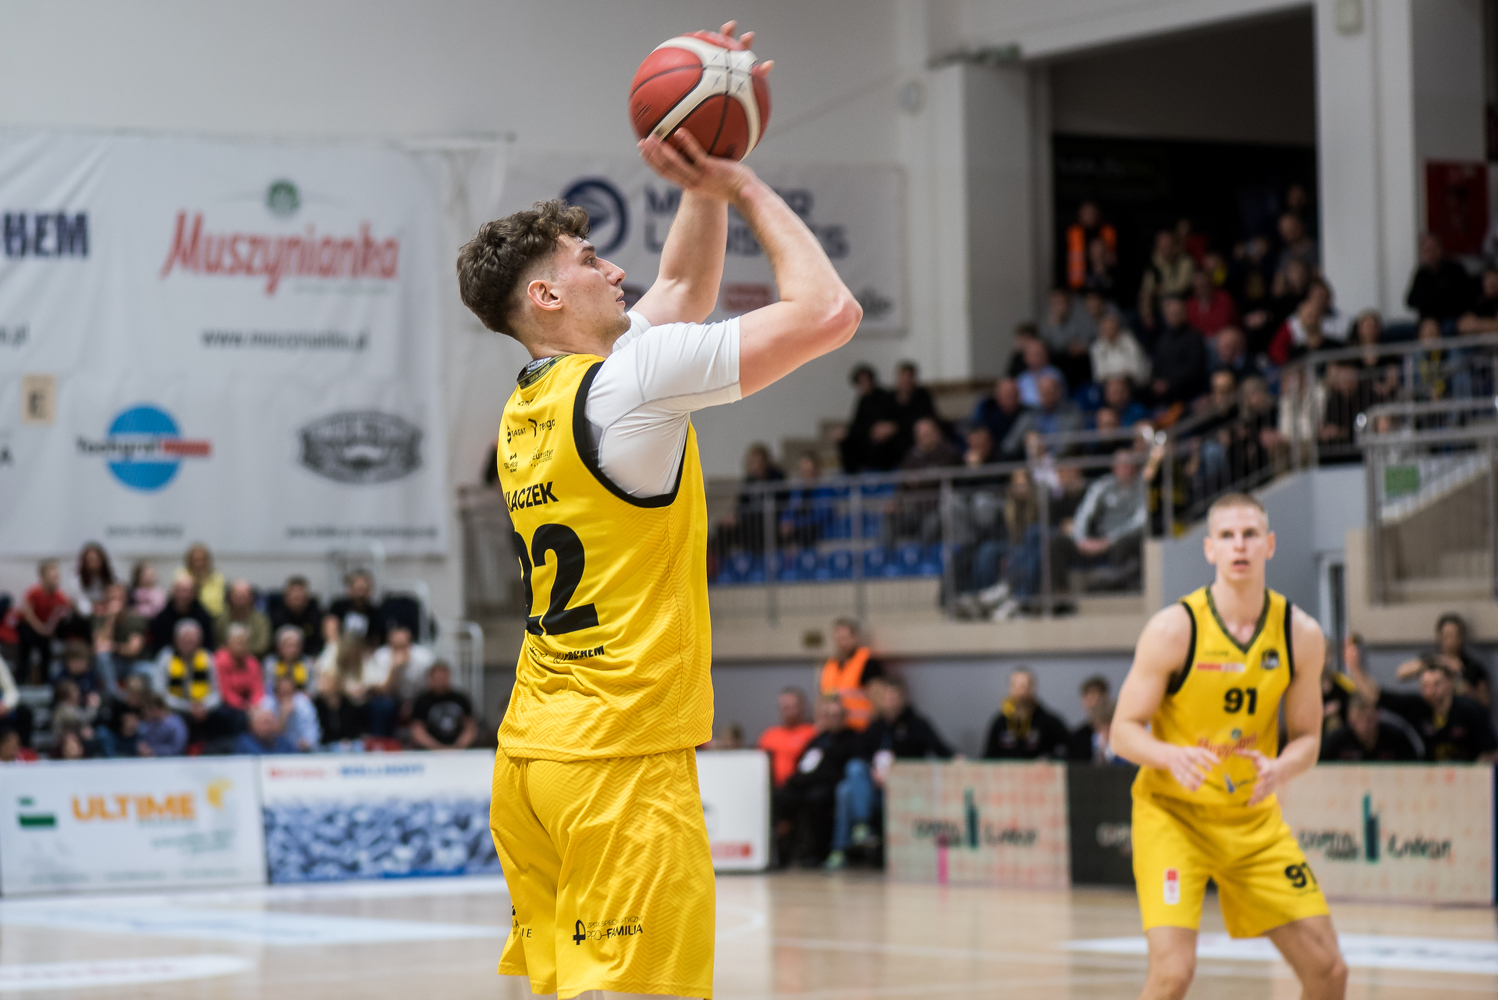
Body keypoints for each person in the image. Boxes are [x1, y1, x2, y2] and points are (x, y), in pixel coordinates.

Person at [462, 45, 862, 998]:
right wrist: (745, 185)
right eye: (589, 261)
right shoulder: (628, 385)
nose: (617, 269)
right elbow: (830, 312)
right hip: (620, 765)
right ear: (547, 296)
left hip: (535, 761)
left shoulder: (531, 404)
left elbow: (681, 297)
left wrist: (701, 176)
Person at [1110, 492, 1344, 1000]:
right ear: (1210, 549)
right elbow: (1122, 731)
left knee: (1329, 971)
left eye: (1250, 534)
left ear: (1270, 545)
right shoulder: (1173, 629)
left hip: (1251, 822)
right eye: (1227, 536)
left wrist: (1281, 768)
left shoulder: (1300, 634)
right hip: (1175, 817)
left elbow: (1308, 738)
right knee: (1173, 974)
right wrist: (1171, 755)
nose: (1240, 545)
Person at [826, 675, 952, 870]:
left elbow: (940, 748)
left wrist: (956, 757)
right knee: (851, 775)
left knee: (845, 791)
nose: (891, 702)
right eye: (887, 697)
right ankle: (853, 835)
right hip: (875, 789)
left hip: (904, 789)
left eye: (895, 697)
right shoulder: (876, 726)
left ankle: (851, 836)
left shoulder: (916, 724)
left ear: (903, 698)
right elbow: (859, 751)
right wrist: (873, 769)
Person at [1344, 644, 1497, 763]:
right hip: (1431, 780)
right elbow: (1376, 696)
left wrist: (1474, 773)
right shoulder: (1419, 707)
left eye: (1436, 684)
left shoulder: (1470, 709)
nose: (1430, 691)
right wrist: (1355, 668)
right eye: (1425, 686)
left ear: (1450, 683)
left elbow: (1492, 752)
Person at [775, 695, 861, 866]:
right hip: (808, 783)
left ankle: (819, 851)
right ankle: (784, 850)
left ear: (844, 716)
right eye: (828, 715)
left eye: (836, 715)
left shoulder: (852, 738)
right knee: (782, 795)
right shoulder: (818, 740)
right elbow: (803, 766)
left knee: (817, 798)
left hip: (831, 786)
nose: (832, 719)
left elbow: (840, 771)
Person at [1051, 449, 1147, 594]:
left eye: (1128, 465)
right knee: (1057, 543)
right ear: (1114, 467)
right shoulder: (1103, 485)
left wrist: (1110, 540)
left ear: (1135, 468)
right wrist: (1081, 539)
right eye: (1120, 465)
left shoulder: (1143, 487)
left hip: (1121, 541)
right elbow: (1084, 513)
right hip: (1098, 539)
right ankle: (1061, 595)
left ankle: (1115, 590)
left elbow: (1140, 521)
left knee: (1127, 545)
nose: (1124, 469)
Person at [1395, 612, 1491, 708]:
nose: (1450, 641)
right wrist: (1439, 661)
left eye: (1454, 635)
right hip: (1432, 710)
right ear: (1439, 636)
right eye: (1446, 635)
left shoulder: (1472, 667)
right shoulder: (1432, 660)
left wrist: (1467, 691)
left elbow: (1485, 703)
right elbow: (1401, 673)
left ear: (1461, 637)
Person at [983, 666, 1070, 759]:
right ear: (1010, 687)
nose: (1021, 691)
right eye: (1016, 686)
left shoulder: (1050, 722)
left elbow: (1067, 751)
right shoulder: (1000, 723)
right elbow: (988, 756)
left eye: (1025, 686)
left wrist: (1049, 759)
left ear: (1033, 687)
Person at [364, 625, 434, 737]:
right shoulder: (381, 656)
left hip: (418, 697)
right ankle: (381, 740)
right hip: (391, 697)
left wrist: (411, 703)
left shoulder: (423, 657)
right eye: (396, 646)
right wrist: (394, 669)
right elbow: (382, 690)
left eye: (403, 646)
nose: (400, 650)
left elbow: (431, 686)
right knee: (382, 705)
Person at [818, 618, 884, 731]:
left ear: (855, 637)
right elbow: (824, 698)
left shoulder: (867, 661)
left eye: (845, 638)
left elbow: (877, 699)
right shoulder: (830, 665)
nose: (842, 643)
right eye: (838, 639)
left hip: (860, 728)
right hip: (835, 730)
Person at [1001, 374, 1085, 458]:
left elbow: (1070, 443)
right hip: (1035, 462)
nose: (1046, 397)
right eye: (1042, 393)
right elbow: (1009, 446)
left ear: (1058, 392)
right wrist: (1026, 442)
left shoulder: (1071, 412)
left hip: (1064, 461)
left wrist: (1047, 453)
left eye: (1049, 392)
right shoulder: (1030, 415)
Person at [837, 363, 902, 473]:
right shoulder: (863, 400)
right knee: (847, 442)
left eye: (865, 381)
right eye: (860, 382)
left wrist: (886, 428)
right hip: (868, 436)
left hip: (885, 438)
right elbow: (857, 423)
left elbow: (894, 419)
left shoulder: (885, 396)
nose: (863, 385)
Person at [1318, 693, 1417, 762]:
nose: (1364, 725)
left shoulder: (1396, 738)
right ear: (1350, 719)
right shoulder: (1338, 739)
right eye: (1358, 720)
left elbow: (1415, 764)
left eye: (1369, 719)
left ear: (1377, 715)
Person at [17, 558, 72, 683]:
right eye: (52, 576)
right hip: (31, 628)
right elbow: (28, 615)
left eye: (56, 576)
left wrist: (47, 629)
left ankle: (44, 681)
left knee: (46, 648)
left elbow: (57, 618)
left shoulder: (60, 597)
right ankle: (21, 679)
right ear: (42, 577)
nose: (55, 579)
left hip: (46, 631)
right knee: (26, 643)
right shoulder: (34, 592)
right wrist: (41, 629)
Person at [1150, 296, 1209, 409]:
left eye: (1177, 313)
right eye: (1171, 313)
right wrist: (1155, 383)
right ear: (1165, 316)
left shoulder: (1194, 337)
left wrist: (1169, 383)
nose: (1174, 316)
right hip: (1165, 399)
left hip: (1189, 395)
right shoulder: (1162, 340)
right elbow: (1156, 367)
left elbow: (1194, 368)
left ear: (1184, 314)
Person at [757, 687, 817, 788]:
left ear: (803, 706)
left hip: (803, 788)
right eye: (785, 707)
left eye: (793, 706)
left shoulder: (813, 732)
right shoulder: (769, 736)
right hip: (774, 789)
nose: (789, 711)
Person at [409, 661, 478, 750]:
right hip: (429, 751)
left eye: (443, 678)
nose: (440, 682)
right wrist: (436, 747)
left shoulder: (461, 699)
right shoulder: (421, 701)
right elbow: (417, 730)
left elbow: (470, 727)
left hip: (459, 750)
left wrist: (459, 746)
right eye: (437, 678)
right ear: (430, 679)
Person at [1405, 232, 1473, 322]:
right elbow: (1410, 301)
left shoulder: (1455, 270)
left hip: (1452, 320)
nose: (1431, 254)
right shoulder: (1421, 274)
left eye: (1434, 249)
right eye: (1427, 250)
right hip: (1428, 321)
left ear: (1441, 248)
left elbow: (1462, 299)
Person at [1138, 229, 1196, 334]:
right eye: (1162, 246)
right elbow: (1146, 292)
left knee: (1173, 307)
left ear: (1175, 246)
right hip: (1160, 310)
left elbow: (1181, 287)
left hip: (1182, 306)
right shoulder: (1154, 265)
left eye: (1168, 245)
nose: (1165, 249)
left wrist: (1160, 290)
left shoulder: (1185, 261)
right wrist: (1146, 314)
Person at [1040, 288, 1096, 388]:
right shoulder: (1047, 320)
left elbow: (1087, 340)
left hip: (1079, 361)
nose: (1059, 306)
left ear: (1069, 302)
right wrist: (1056, 325)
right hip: (1058, 361)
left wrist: (1082, 346)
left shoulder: (1081, 315)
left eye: (1061, 302)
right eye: (1055, 303)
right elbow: (1051, 345)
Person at [148, 575, 216, 657]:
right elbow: (159, 647)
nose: (184, 595)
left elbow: (208, 645)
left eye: (188, 591)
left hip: (197, 658)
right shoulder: (162, 618)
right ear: (173, 592)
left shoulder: (203, 616)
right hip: (171, 658)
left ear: (195, 593)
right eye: (181, 591)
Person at [326, 569, 387, 650]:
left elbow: (375, 640)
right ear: (350, 589)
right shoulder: (338, 607)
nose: (360, 595)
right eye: (358, 590)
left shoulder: (376, 613)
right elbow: (331, 630)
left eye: (364, 590)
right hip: (339, 649)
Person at [1065, 200, 1116, 291]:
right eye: (1086, 213)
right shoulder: (1073, 234)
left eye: (1092, 213)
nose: (1089, 216)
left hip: (1103, 287)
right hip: (1077, 287)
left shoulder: (1107, 232)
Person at [213, 623, 264, 713]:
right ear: (228, 643)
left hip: (250, 705)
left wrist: (255, 704)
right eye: (239, 643)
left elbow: (257, 689)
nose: (242, 647)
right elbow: (225, 692)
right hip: (227, 705)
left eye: (245, 643)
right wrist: (244, 706)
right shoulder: (220, 661)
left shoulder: (252, 662)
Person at [268, 575, 325, 657]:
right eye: (295, 597)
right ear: (286, 598)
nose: (297, 601)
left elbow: (319, 642)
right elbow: (271, 645)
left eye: (300, 597)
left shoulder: (316, 616)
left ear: (307, 599)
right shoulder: (276, 617)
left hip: (309, 658)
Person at [1090, 312, 1151, 386]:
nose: (1109, 332)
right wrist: (1115, 378)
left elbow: (1135, 369)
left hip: (1131, 383)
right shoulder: (1097, 347)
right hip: (1108, 385)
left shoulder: (1130, 341)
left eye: (1111, 328)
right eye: (1105, 329)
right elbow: (1099, 374)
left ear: (1118, 328)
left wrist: (1118, 377)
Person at [213, 580, 271, 657]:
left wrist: (240, 651)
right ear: (229, 597)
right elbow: (217, 642)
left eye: (243, 597)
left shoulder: (261, 620)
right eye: (237, 597)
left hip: (254, 659)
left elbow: (262, 645)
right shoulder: (221, 619)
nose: (240, 601)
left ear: (251, 598)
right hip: (226, 659)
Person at [969, 376, 1026, 450]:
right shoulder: (987, 411)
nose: (1012, 398)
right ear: (998, 396)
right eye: (1008, 394)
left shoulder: (1026, 415)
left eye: (1015, 394)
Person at [267, 674, 320, 751]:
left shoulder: (304, 705)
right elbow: (270, 737)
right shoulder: (268, 705)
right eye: (283, 693)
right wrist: (283, 716)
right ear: (276, 693)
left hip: (301, 751)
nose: (286, 697)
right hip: (274, 750)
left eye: (289, 693)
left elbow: (312, 734)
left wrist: (306, 743)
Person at [1068, 675, 1113, 762]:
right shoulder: (1078, 737)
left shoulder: (1120, 732)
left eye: (1097, 697)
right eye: (1090, 697)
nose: (1094, 702)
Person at [1015, 337, 1067, 409]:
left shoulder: (1055, 374)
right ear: (1025, 357)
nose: (1035, 358)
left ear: (1046, 355)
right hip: (1027, 413)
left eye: (1038, 354)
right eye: (1032, 355)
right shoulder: (1021, 378)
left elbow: (1062, 401)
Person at [264, 625, 316, 695]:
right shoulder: (270, 663)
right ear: (279, 646)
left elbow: (311, 688)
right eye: (288, 645)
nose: (292, 650)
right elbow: (267, 688)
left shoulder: (307, 663)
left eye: (295, 645)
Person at [1185, 269, 1238, 338]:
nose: (1201, 289)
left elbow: (1228, 322)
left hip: (1222, 338)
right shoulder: (1190, 304)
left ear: (1210, 283)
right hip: (1199, 341)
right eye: (1198, 286)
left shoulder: (1224, 298)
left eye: (1204, 285)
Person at [180, 543, 227, 618]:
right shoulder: (182, 576)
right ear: (189, 561)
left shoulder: (217, 578)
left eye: (202, 560)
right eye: (196, 560)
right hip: (188, 616)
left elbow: (219, 603)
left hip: (214, 617)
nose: (199, 564)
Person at [68, 542, 115, 616]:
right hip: (86, 617)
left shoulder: (109, 578)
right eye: (90, 560)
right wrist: (93, 608)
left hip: (107, 613)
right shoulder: (77, 581)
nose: (93, 564)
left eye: (96, 560)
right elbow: (80, 603)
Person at [135, 693, 188, 758]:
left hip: (172, 761)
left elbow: (177, 748)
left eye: (147, 710)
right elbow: (143, 739)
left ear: (156, 708)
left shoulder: (176, 724)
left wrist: (154, 751)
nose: (146, 713)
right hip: (149, 761)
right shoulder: (149, 723)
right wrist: (142, 746)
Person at [233, 705, 299, 755]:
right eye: (265, 722)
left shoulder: (285, 743)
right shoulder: (244, 744)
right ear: (252, 726)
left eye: (271, 722)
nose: (269, 726)